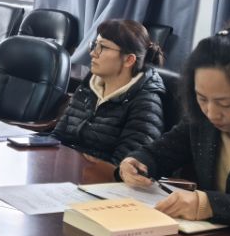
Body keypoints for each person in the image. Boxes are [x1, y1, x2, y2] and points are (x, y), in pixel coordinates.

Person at [120, 23, 230, 232]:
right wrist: (136, 162)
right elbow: (161, 152)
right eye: (202, 98)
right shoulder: (200, 119)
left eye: (225, 104)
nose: (211, 113)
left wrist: (209, 205)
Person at [52, 19, 166, 164]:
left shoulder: (146, 104)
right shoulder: (87, 87)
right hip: (67, 168)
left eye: (103, 47)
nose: (93, 53)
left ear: (129, 60)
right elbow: (57, 137)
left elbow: (124, 166)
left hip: (97, 176)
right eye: (95, 45)